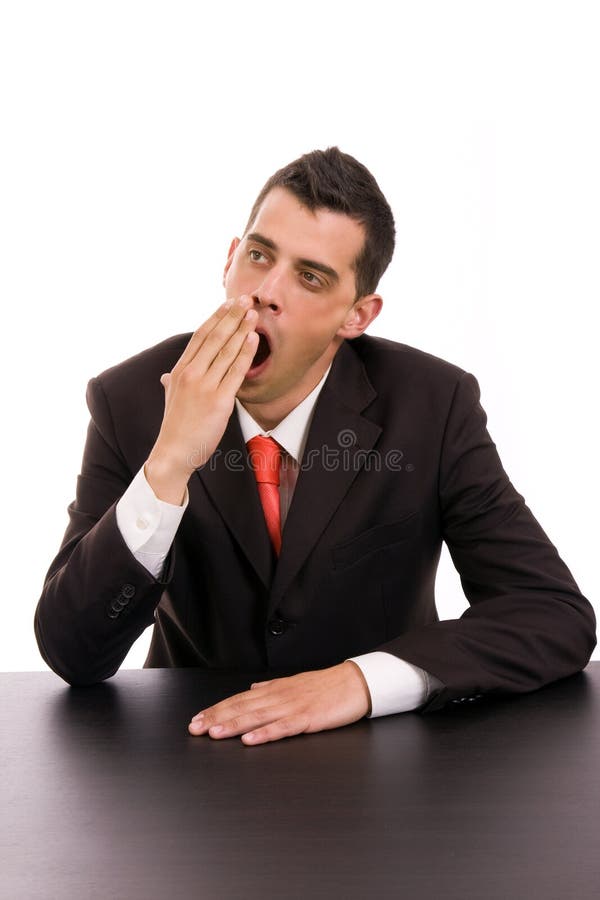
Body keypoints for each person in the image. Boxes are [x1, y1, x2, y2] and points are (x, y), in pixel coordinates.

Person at [35, 147, 596, 745]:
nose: (266, 292)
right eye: (258, 256)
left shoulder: (432, 404)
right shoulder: (131, 401)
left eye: (310, 276)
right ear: (229, 261)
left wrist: (359, 681)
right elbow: (74, 652)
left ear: (356, 316)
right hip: (192, 752)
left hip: (385, 759)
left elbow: (551, 612)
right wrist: (169, 462)